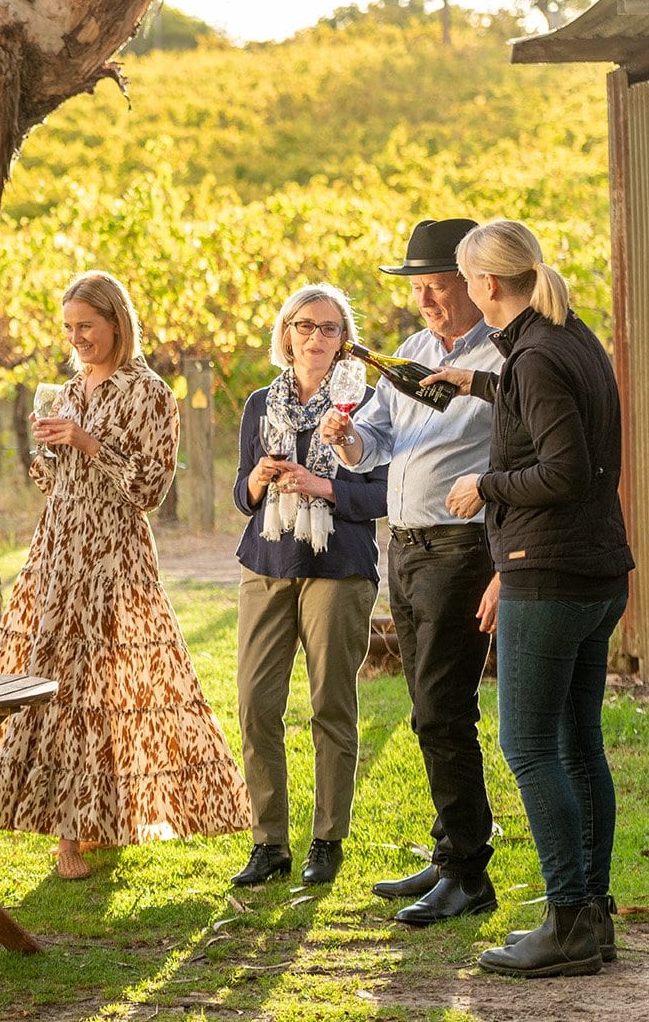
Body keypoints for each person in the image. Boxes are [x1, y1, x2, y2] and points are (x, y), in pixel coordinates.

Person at [0, 271, 251, 881]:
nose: (77, 338)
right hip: (59, 550)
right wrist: (49, 452)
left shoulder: (149, 392)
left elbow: (151, 489)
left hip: (113, 554)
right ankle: (72, 831)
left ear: (116, 324)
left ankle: (91, 825)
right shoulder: (71, 388)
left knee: (106, 687)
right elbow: (52, 480)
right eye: (69, 328)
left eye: (87, 327)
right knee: (55, 682)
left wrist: (87, 442)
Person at [425, 220, 633, 978]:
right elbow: (540, 402)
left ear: (485, 285)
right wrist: (472, 381)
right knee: (578, 746)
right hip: (596, 575)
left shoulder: (537, 355)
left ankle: (569, 920)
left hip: (548, 576)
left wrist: (485, 485)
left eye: (463, 279)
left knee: (529, 747)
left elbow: (564, 469)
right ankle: (592, 917)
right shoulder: (564, 336)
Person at [317, 217, 505, 925]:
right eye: (418, 288)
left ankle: (467, 872)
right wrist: (349, 437)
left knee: (439, 707)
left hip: (463, 546)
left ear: (474, 283)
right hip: (410, 546)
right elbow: (377, 443)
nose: (426, 300)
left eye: (438, 286)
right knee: (433, 708)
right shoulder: (410, 352)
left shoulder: (500, 358)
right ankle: (450, 849)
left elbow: (519, 443)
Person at [228, 284, 390, 888]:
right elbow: (240, 495)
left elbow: (382, 492)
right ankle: (269, 843)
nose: (315, 337)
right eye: (304, 325)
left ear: (343, 340)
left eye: (328, 328)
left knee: (329, 703)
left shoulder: (365, 405)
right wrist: (258, 480)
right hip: (266, 564)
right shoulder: (257, 405)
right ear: (286, 332)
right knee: (255, 704)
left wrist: (325, 488)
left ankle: (327, 839)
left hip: (338, 564)